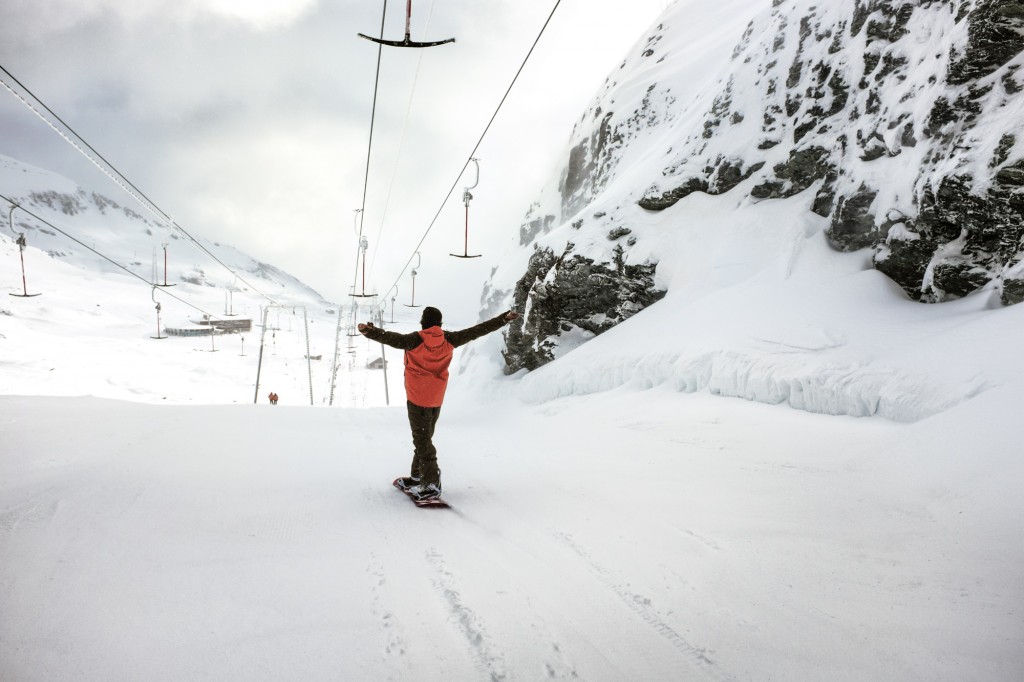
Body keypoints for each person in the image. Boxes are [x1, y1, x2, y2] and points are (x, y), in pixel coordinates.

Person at [358, 306, 519, 501]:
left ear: (423, 322)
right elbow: (478, 330)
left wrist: (370, 331)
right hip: (435, 398)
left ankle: (431, 483)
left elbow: (391, 338)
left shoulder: (414, 339)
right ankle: (418, 477)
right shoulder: (450, 339)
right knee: (424, 437)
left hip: (417, 397)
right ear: (439, 323)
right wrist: (503, 319)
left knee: (422, 441)